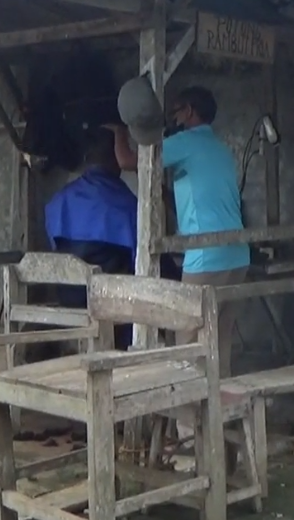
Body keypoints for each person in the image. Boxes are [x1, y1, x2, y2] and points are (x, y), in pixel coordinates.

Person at [112, 84, 250, 379]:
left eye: (173, 111)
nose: (168, 119)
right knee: (219, 341)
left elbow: (127, 161)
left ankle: (188, 424)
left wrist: (118, 131)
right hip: (237, 255)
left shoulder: (185, 142)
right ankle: (217, 416)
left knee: (187, 344)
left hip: (207, 256)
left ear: (188, 112)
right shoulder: (219, 148)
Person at [45, 126, 180, 350]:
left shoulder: (59, 199)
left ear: (88, 159)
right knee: (169, 281)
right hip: (110, 300)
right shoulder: (127, 204)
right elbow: (145, 256)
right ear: (115, 160)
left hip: (70, 295)